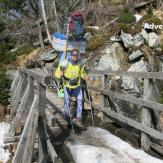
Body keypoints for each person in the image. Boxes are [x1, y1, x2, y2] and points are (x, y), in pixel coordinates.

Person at [55, 48, 86, 129]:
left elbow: (82, 73)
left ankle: (78, 119)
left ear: (78, 56)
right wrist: (60, 74)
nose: (75, 57)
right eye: (73, 55)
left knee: (80, 100)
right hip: (67, 85)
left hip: (77, 85)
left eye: (76, 55)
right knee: (67, 103)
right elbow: (56, 73)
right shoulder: (64, 63)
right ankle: (68, 120)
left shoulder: (80, 63)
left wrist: (85, 77)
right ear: (71, 55)